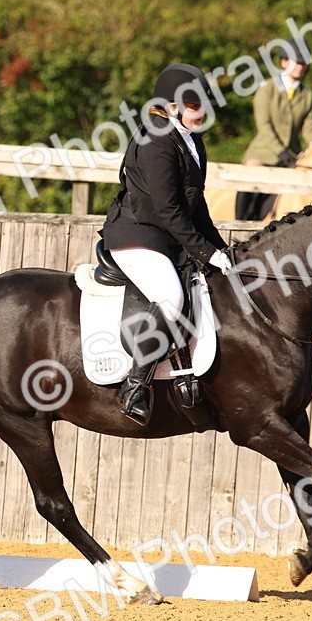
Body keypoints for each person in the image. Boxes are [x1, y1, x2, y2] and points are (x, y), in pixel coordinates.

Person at [100, 63, 232, 425]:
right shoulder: (156, 140)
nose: (201, 111)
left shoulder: (192, 140)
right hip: (138, 235)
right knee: (171, 298)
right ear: (171, 106)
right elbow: (168, 209)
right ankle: (135, 385)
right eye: (193, 104)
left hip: (166, 238)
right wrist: (202, 251)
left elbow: (196, 205)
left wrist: (222, 251)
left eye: (204, 102)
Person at [236, 44, 312, 221]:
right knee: (250, 176)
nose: (300, 65)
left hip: (292, 155)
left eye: (303, 62)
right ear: (283, 62)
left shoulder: (307, 96)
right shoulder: (267, 88)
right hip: (264, 152)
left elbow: (310, 129)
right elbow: (264, 126)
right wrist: (281, 152)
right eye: (296, 61)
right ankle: (240, 221)